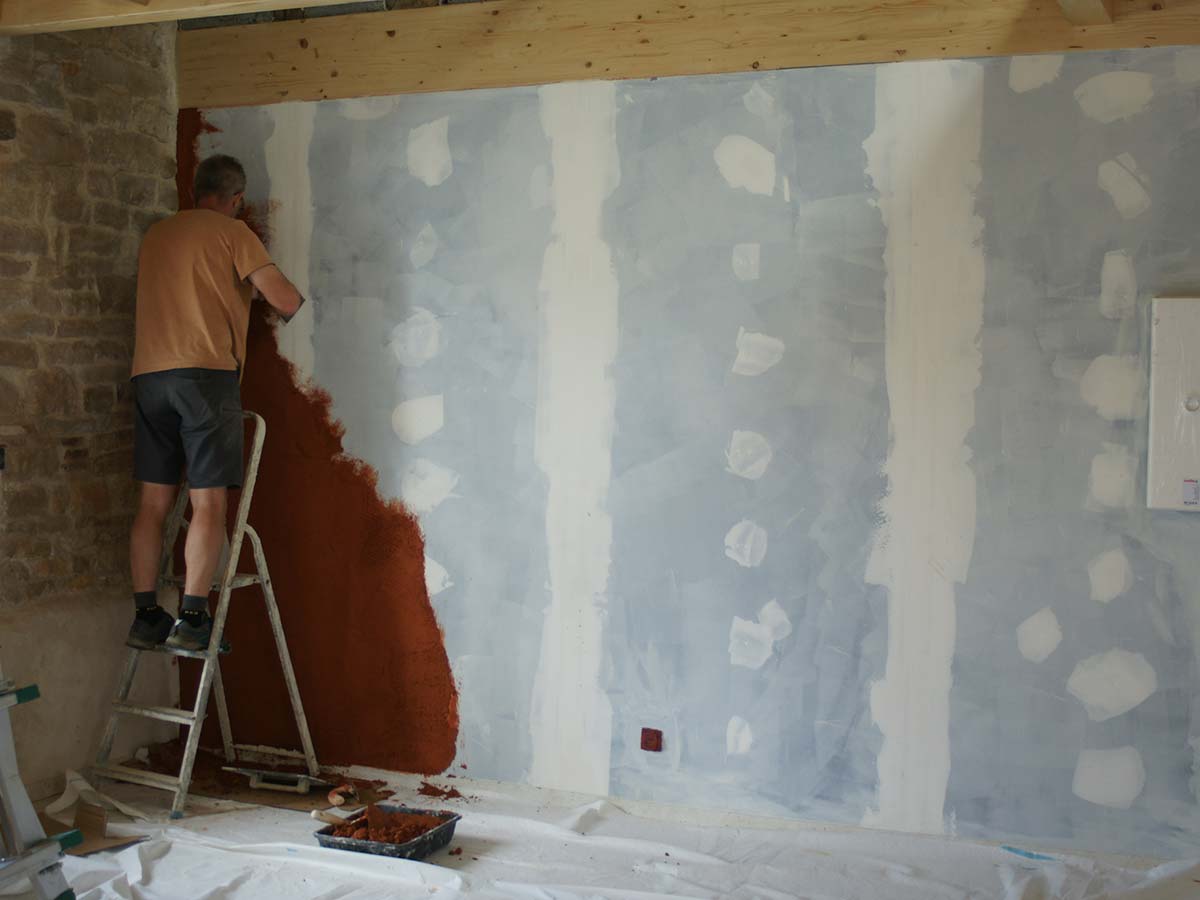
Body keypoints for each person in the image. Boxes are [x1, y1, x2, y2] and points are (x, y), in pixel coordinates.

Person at [126, 154, 305, 652]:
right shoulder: (233, 233)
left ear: (194, 189)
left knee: (153, 504)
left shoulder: (157, 235)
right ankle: (193, 619)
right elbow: (286, 300)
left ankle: (145, 616)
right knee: (208, 501)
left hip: (149, 377)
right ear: (236, 198)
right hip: (204, 377)